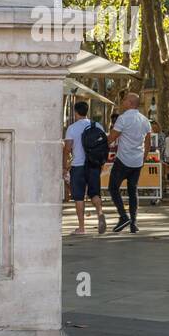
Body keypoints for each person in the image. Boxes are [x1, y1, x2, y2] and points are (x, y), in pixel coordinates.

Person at [107, 93, 151, 233]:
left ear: (131, 102)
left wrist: (98, 145)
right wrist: (143, 159)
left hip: (123, 160)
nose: (122, 101)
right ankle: (134, 223)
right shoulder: (145, 120)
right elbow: (148, 143)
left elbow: (112, 138)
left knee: (113, 188)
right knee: (133, 191)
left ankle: (123, 216)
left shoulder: (123, 118)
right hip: (137, 161)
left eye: (124, 99)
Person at [63, 100, 106, 236]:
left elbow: (67, 149)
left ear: (75, 112)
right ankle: (100, 213)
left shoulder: (72, 128)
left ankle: (81, 227)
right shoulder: (97, 125)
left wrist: (64, 166)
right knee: (94, 193)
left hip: (78, 166)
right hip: (94, 165)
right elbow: (103, 145)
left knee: (79, 197)